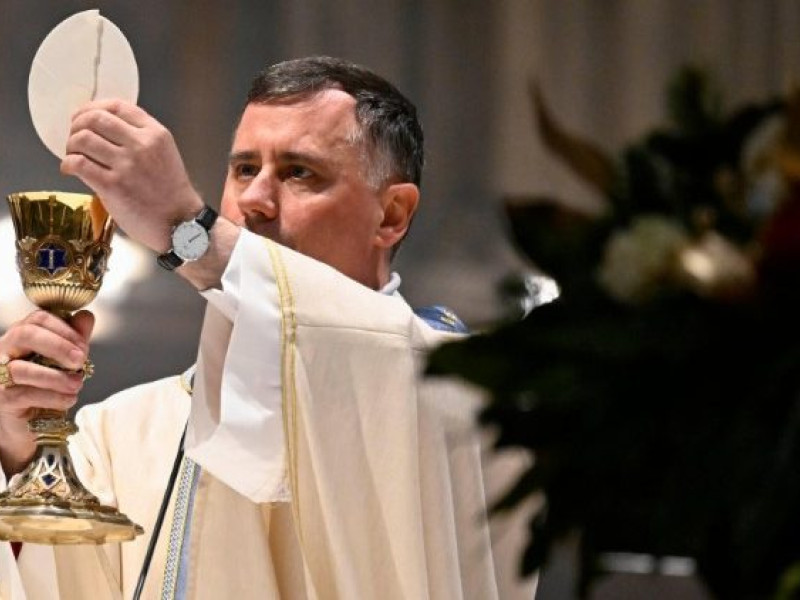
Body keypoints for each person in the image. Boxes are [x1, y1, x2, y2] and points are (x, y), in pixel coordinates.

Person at [0, 57, 535, 599]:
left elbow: (359, 356)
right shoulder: (122, 431)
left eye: (300, 172)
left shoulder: (469, 395)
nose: (254, 200)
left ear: (391, 214)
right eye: (243, 169)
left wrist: (185, 228)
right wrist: (20, 446)